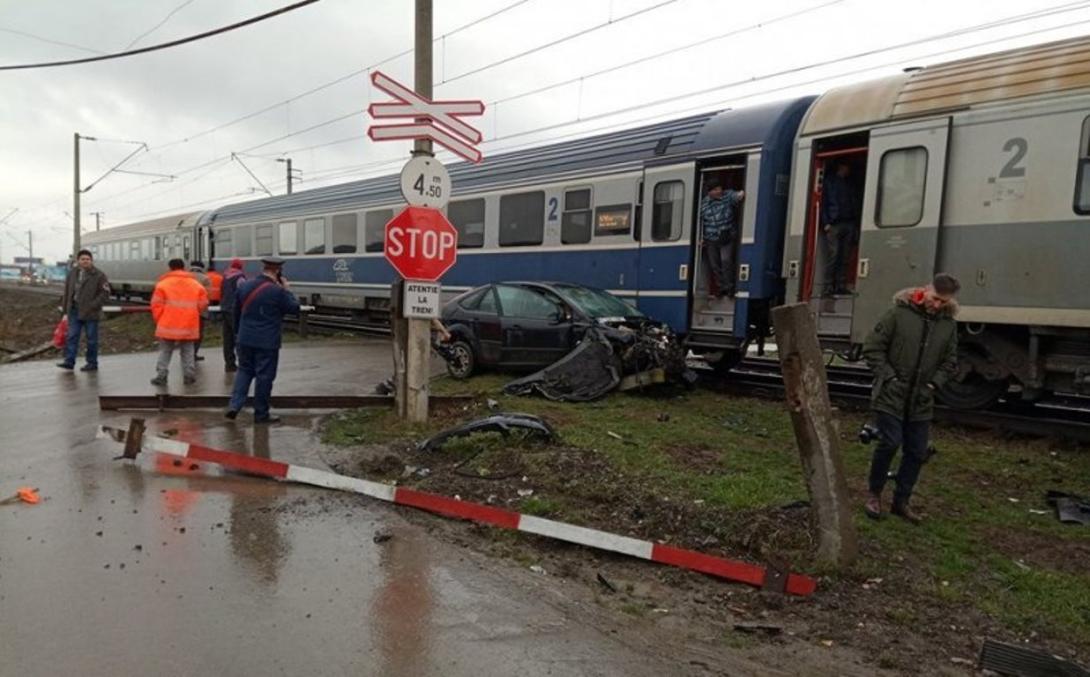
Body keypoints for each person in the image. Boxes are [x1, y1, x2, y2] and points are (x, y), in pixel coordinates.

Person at [862, 273, 960, 524]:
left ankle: (901, 501)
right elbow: (873, 347)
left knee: (917, 451)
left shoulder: (948, 325)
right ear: (926, 289)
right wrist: (890, 378)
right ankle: (874, 494)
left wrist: (933, 384)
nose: (937, 305)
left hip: (921, 398)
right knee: (890, 442)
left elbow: (950, 361)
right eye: (935, 298)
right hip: (891, 394)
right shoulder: (898, 314)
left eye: (943, 302)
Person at [225, 256, 300, 424]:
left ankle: (234, 406)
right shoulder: (278, 291)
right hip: (267, 341)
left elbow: (235, 312)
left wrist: (238, 334)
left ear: (263, 269)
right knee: (264, 377)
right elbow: (294, 308)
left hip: (244, 339)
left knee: (244, 371)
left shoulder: (245, 286)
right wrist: (287, 289)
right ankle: (261, 414)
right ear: (278, 271)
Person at [150, 259, 209, 386]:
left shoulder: (162, 284)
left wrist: (159, 319)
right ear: (183, 267)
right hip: (189, 324)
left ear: (170, 268)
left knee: (165, 351)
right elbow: (203, 303)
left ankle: (162, 375)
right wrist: (194, 313)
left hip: (168, 324)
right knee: (188, 350)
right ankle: (189, 376)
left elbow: (156, 305)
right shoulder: (195, 284)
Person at [57, 249, 111, 372]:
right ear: (78, 261)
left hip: (91, 313)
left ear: (91, 261)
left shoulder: (99, 275)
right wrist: (65, 310)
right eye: (83, 259)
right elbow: (67, 292)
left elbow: (105, 293)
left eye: (88, 259)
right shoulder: (72, 273)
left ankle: (92, 363)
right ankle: (69, 361)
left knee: (91, 339)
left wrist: (93, 305)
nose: (85, 261)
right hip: (74, 311)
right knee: (72, 336)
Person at [699, 180, 745, 298]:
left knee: (726, 261)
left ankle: (730, 287)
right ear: (710, 192)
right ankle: (721, 287)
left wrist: (740, 195)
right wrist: (701, 237)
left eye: (720, 188)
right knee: (714, 265)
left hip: (727, 236)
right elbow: (700, 222)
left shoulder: (727, 196)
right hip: (711, 239)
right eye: (715, 189)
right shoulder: (704, 204)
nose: (719, 191)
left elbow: (737, 196)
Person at [821, 161, 861, 296]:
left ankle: (840, 285)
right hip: (835, 223)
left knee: (845, 257)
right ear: (841, 167)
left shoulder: (849, 184)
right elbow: (823, 202)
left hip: (848, 222)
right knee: (834, 255)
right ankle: (828, 286)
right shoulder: (829, 183)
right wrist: (825, 222)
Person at [220, 258, 246, 373]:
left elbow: (221, 292)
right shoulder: (239, 277)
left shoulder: (225, 276)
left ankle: (229, 364)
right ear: (240, 266)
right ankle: (243, 362)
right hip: (235, 309)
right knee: (238, 336)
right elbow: (243, 292)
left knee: (227, 338)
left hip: (225, 308)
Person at [189, 261, 213, 361]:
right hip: (199, 311)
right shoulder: (205, 278)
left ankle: (186, 355)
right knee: (198, 334)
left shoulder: (186, 277)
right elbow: (207, 295)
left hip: (185, 311)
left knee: (188, 334)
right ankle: (193, 353)